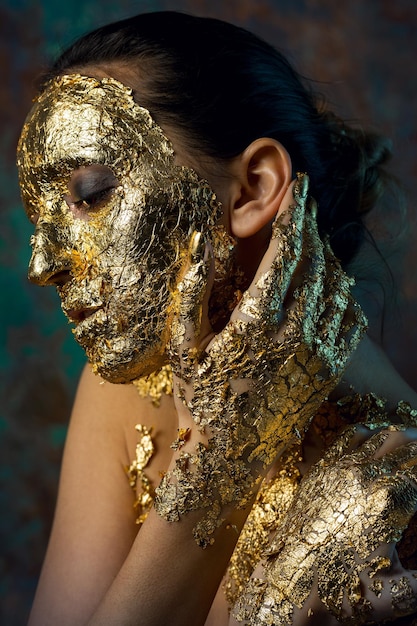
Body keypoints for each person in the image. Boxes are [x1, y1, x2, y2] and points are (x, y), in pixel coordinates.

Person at [16, 11, 417, 626]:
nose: (42, 263)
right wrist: (217, 469)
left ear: (255, 187)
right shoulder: (125, 390)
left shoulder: (394, 495)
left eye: (91, 193)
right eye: (41, 217)